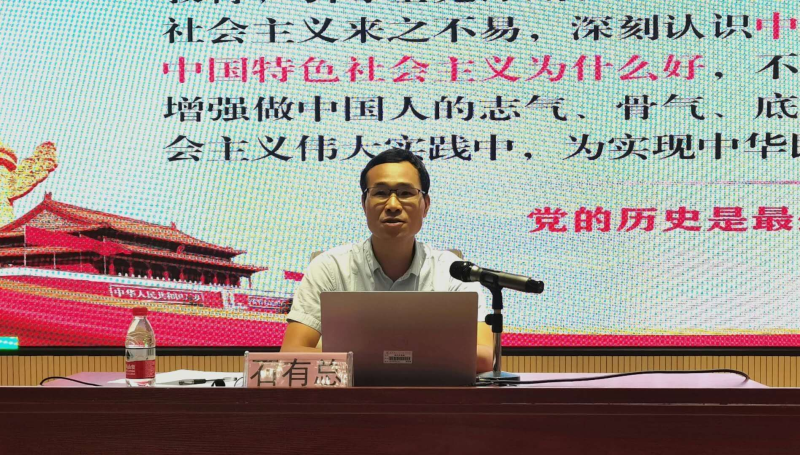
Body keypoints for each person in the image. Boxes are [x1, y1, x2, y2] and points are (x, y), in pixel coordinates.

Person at [281, 148, 494, 373]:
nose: (392, 205)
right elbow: (291, 353)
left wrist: (370, 355)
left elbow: (485, 357)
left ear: (426, 205)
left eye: (405, 193)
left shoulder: (453, 271)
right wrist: (407, 355)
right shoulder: (330, 267)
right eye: (381, 193)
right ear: (364, 204)